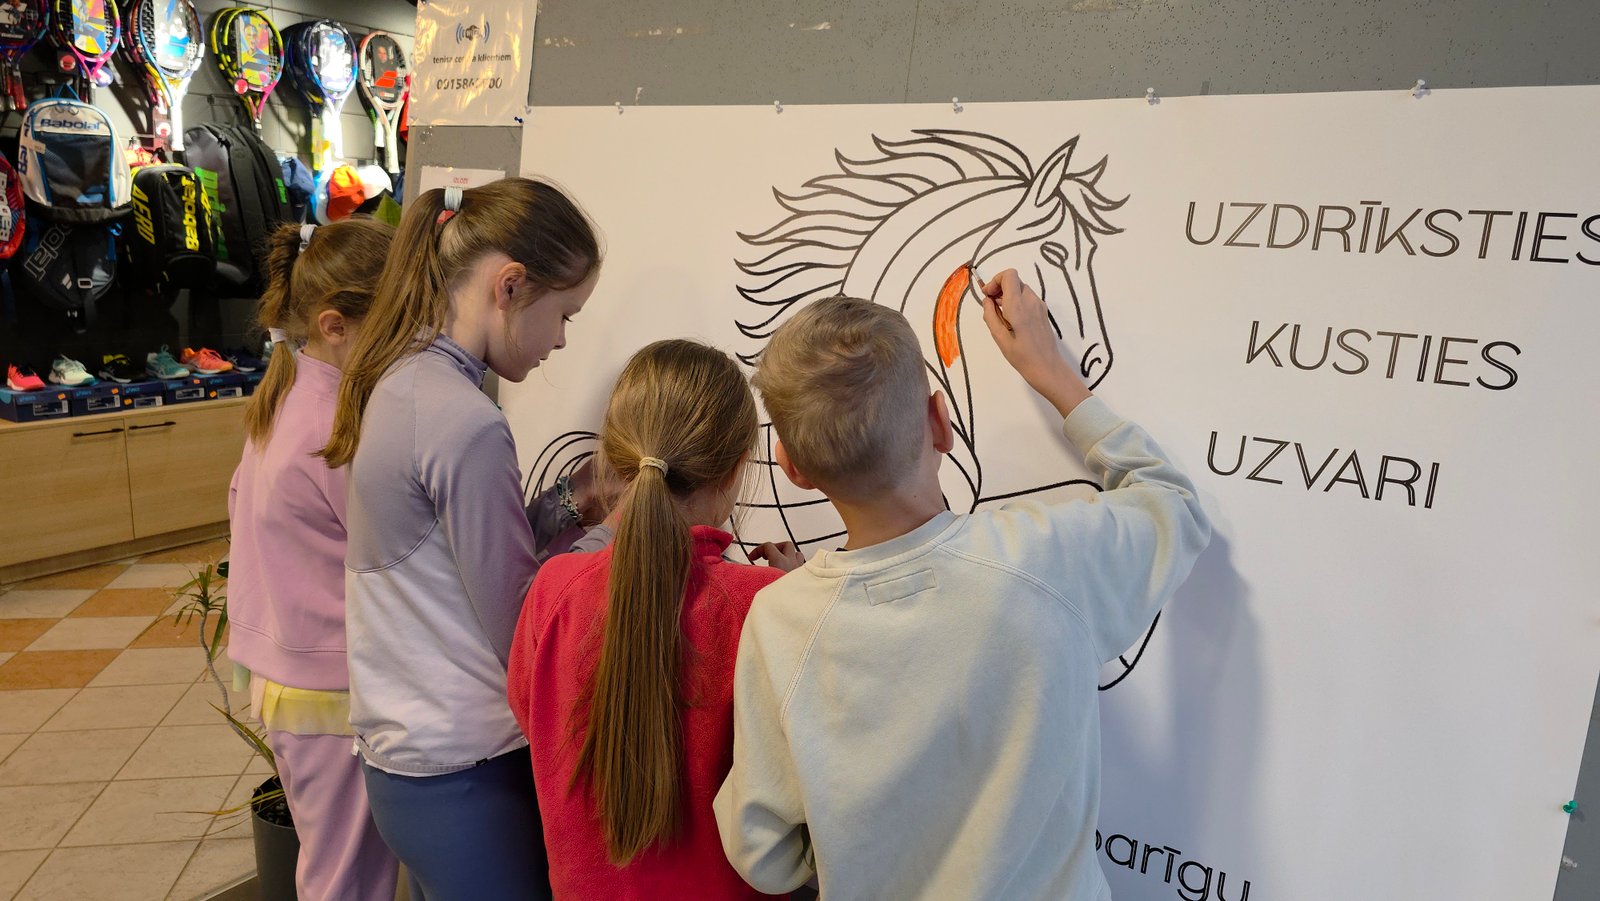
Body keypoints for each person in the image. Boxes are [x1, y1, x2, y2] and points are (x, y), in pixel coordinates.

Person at [713, 271, 1213, 899]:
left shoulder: (779, 618)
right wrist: (1051, 372)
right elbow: (1174, 507)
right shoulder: (1046, 558)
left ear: (791, 466)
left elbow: (762, 853)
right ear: (940, 422)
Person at [319, 178, 604, 901]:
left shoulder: (406, 381)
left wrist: (573, 501)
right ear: (510, 286)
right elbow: (520, 622)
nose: (561, 340)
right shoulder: (463, 418)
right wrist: (612, 538)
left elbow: (456, 562)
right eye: (563, 314)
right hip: (464, 768)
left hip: (413, 762)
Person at [507, 339, 802, 900]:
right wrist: (802, 601)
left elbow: (535, 719)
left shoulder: (553, 590)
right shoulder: (767, 607)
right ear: (736, 469)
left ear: (616, 458)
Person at [227, 219, 399, 901]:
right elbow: (393, 555)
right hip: (328, 689)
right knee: (347, 877)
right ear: (335, 325)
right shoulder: (336, 429)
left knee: (332, 865)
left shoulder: (286, 399)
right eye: (398, 324)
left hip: (288, 678)